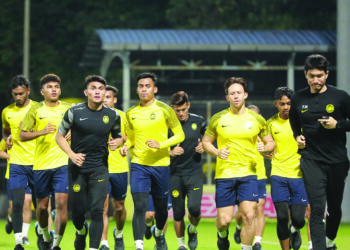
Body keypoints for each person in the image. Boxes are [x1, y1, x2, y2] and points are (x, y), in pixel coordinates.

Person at [202, 77, 275, 250]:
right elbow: (205, 142)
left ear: (245, 95)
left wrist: (264, 148)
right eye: (232, 93)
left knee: (249, 215)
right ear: (227, 97)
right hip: (224, 176)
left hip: (248, 175)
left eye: (239, 93)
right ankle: (222, 235)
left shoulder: (257, 120)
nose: (236, 96)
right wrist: (217, 152)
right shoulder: (218, 118)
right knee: (224, 221)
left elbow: (270, 142)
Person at [289, 54, 350, 250]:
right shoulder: (297, 98)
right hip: (311, 160)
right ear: (305, 75)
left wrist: (337, 124)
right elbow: (294, 124)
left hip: (337, 161)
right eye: (312, 76)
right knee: (316, 210)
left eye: (320, 76)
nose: (316, 80)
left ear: (327, 75)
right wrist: (297, 137)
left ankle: (330, 241)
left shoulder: (340, 97)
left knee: (334, 209)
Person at [120, 72, 185, 250]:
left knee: (161, 211)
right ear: (137, 89)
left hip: (161, 166)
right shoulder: (130, 113)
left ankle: (158, 233)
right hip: (139, 165)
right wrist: (126, 146)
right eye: (141, 86)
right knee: (140, 206)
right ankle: (139, 245)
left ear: (154, 89)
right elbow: (131, 138)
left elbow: (180, 134)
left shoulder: (165, 110)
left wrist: (161, 144)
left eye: (147, 86)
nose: (143, 89)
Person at [56, 75, 121, 250]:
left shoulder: (113, 115)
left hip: (99, 168)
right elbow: (59, 136)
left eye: (101, 88)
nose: (97, 91)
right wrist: (71, 154)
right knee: (77, 213)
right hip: (77, 168)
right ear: (86, 92)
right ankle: (80, 231)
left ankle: (93, 247)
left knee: (98, 210)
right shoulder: (74, 112)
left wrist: (119, 142)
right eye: (93, 88)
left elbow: (118, 136)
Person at [20, 74, 71, 250]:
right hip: (41, 165)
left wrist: (74, 134)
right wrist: (41, 132)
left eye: (56, 86)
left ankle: (56, 244)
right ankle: (44, 233)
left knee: (62, 204)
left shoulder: (68, 109)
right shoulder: (35, 110)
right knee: (42, 207)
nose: (54, 89)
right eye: (50, 87)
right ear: (42, 91)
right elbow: (23, 134)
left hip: (63, 164)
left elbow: (81, 130)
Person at [267, 87, 309, 250]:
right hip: (278, 175)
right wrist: (265, 153)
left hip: (299, 175)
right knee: (282, 216)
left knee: (299, 220)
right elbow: (264, 147)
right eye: (282, 104)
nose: (286, 107)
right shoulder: (270, 123)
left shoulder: (302, 121)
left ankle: (295, 230)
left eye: (289, 103)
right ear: (276, 104)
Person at [1, 75, 37, 250]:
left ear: (28, 91)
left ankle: (44, 235)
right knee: (17, 203)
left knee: (39, 206)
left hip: (38, 165)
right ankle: (19, 242)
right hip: (16, 165)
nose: (18, 97)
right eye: (15, 94)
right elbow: (6, 130)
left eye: (21, 93)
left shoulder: (38, 108)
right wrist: (7, 138)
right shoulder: (7, 111)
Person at [168, 91, 206, 250]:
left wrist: (203, 145)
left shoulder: (199, 121)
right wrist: (170, 152)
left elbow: (208, 140)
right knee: (177, 213)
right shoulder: (166, 125)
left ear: (188, 106)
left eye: (184, 109)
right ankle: (181, 244)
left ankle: (192, 229)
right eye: (178, 110)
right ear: (172, 109)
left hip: (194, 173)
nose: (181, 113)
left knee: (195, 210)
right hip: (174, 174)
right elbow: (157, 149)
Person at [233, 105, 267, 250]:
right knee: (243, 212)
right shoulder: (240, 131)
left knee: (259, 208)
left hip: (259, 175)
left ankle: (257, 242)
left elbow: (272, 148)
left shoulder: (265, 132)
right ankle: (238, 226)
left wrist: (268, 151)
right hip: (243, 175)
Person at [100, 85, 128, 250]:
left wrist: (124, 143)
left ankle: (118, 232)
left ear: (114, 100)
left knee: (119, 207)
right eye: (103, 97)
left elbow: (131, 136)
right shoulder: (93, 117)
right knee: (102, 207)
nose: (105, 100)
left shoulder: (123, 117)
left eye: (108, 97)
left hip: (119, 168)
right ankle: (104, 243)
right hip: (100, 168)